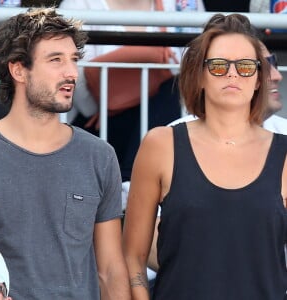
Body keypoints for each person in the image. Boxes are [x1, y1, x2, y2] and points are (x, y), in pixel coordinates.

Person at [123, 13, 287, 299]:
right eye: (219, 65)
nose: (233, 74)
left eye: (247, 66)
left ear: (259, 79)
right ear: (198, 74)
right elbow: (131, 258)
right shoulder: (161, 145)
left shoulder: (285, 153)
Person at [0, 7, 130, 300]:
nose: (71, 73)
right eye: (55, 60)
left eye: (73, 60)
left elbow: (111, 269)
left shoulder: (99, 156)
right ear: (18, 70)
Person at [59, 0, 184, 182]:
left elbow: (193, 80)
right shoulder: (78, 6)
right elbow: (82, 101)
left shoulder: (179, 4)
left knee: (172, 92)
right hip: (97, 124)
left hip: (162, 119)